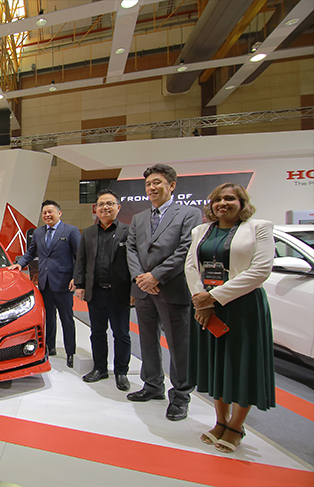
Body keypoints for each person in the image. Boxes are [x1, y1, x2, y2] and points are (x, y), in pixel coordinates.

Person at [185, 183, 275, 453]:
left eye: (229, 198)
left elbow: (260, 270)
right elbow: (191, 266)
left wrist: (214, 297)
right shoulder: (201, 231)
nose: (222, 203)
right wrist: (202, 300)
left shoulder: (259, 228)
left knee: (241, 365)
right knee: (216, 363)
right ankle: (220, 421)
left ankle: (236, 426)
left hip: (242, 306)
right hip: (207, 307)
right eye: (217, 199)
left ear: (242, 202)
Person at [126, 164, 202, 421]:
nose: (152, 188)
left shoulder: (189, 213)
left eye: (157, 182)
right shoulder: (139, 218)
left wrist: (155, 276)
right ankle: (153, 385)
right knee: (147, 341)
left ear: (172, 185)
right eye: (148, 184)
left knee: (179, 346)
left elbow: (186, 249)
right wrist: (140, 278)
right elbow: (131, 250)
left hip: (172, 288)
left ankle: (180, 396)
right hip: (144, 290)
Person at [72, 189, 132, 390]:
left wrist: (134, 290)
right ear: (95, 209)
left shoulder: (128, 231)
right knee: (97, 332)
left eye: (110, 204)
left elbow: (135, 262)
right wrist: (79, 285)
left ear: (118, 207)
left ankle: (121, 372)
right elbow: (81, 260)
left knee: (121, 334)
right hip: (95, 292)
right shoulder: (88, 233)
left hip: (120, 292)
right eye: (101, 204)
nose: (105, 207)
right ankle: (100, 368)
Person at [9, 200, 81, 367]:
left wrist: (76, 278)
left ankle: (70, 352)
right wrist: (20, 264)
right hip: (44, 282)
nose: (47, 215)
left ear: (59, 213)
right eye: (44, 213)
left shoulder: (71, 231)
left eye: (50, 212)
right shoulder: (38, 232)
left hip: (64, 283)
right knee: (48, 317)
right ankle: (50, 347)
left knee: (66, 319)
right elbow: (31, 252)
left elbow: (79, 257)